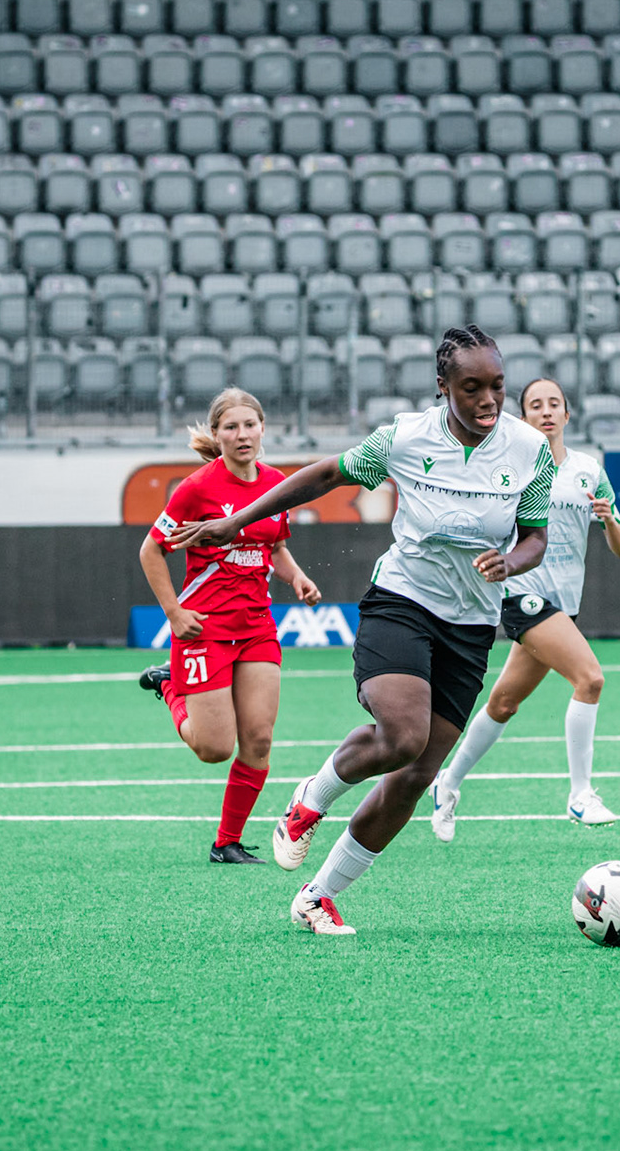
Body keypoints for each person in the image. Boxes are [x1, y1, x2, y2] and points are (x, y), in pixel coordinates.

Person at [167, 327, 556, 935]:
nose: (488, 400)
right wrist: (236, 522)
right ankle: (310, 800)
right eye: (471, 387)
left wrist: (513, 560)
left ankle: (317, 895)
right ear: (442, 388)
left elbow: (535, 536)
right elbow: (325, 476)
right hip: (402, 602)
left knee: (417, 774)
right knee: (402, 735)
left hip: (471, 625)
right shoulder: (406, 436)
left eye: (498, 386)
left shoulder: (529, 449)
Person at [429, 377, 620, 840]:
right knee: (590, 678)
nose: (545, 411)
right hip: (522, 596)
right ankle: (581, 795)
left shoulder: (588, 469)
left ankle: (447, 783)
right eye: (535, 405)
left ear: (567, 413)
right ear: (522, 417)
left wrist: (609, 520)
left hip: (564, 604)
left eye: (554, 403)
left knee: (504, 702)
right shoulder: (513, 467)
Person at [134, 388, 322, 865]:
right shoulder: (196, 488)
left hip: (257, 626)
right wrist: (174, 614)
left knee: (258, 739)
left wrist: (296, 576)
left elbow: (273, 545)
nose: (243, 435)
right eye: (231, 427)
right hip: (204, 629)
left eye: (250, 425)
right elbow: (151, 550)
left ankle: (227, 843)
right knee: (214, 749)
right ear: (216, 435)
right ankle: (171, 688)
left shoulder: (277, 483)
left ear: (263, 429)